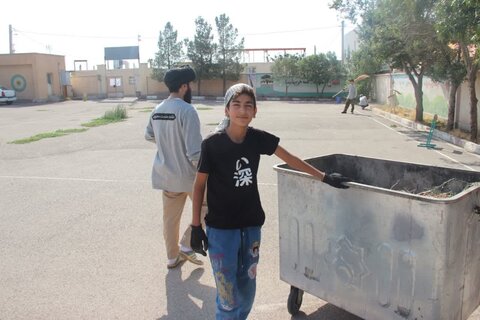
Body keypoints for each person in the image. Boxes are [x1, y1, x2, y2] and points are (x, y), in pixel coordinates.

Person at [189, 83, 350, 320]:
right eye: (236, 105)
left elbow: (290, 158)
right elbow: (199, 184)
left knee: (247, 284)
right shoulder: (212, 144)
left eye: (248, 106)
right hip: (221, 229)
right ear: (226, 110)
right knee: (226, 289)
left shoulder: (257, 139)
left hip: (251, 225)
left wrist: (324, 177)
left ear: (255, 111)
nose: (242, 111)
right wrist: (195, 227)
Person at [145, 65, 205, 269]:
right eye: (189, 85)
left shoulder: (158, 109)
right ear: (184, 86)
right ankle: (186, 245)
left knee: (170, 219)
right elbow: (195, 153)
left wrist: (168, 143)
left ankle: (172, 257)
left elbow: (149, 135)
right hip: (189, 177)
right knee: (208, 209)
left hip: (166, 176)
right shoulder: (187, 111)